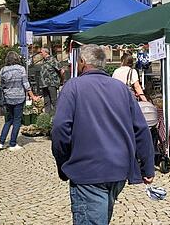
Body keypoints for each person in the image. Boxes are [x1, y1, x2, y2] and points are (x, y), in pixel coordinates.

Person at [52, 44, 155, 225]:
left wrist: (63, 163)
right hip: (118, 169)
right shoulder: (122, 89)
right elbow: (141, 128)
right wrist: (148, 166)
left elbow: (60, 128)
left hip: (88, 171)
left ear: (82, 62)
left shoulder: (73, 87)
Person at [0, 51, 39, 151]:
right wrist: (33, 97)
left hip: (8, 98)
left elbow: (2, 85)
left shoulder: (3, 70)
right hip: (19, 97)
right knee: (17, 121)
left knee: (8, 120)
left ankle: (1, 142)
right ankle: (12, 143)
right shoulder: (21, 69)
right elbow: (26, 85)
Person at [38, 47, 65, 113]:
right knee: (46, 102)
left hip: (52, 84)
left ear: (46, 52)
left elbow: (62, 70)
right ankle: (48, 117)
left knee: (54, 101)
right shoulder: (44, 61)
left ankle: (57, 117)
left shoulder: (52, 59)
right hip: (44, 85)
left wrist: (61, 80)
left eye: (41, 52)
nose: (40, 54)